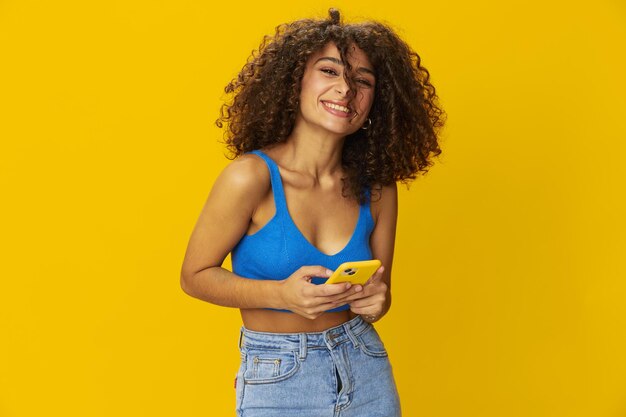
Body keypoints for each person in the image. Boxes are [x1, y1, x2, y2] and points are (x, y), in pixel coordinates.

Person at [180, 8, 444, 417]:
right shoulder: (250, 177)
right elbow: (194, 276)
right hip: (277, 374)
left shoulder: (376, 189)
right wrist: (281, 294)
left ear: (377, 101)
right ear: (295, 82)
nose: (345, 90)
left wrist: (375, 301)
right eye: (330, 71)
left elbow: (378, 297)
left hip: (364, 365)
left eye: (363, 81)